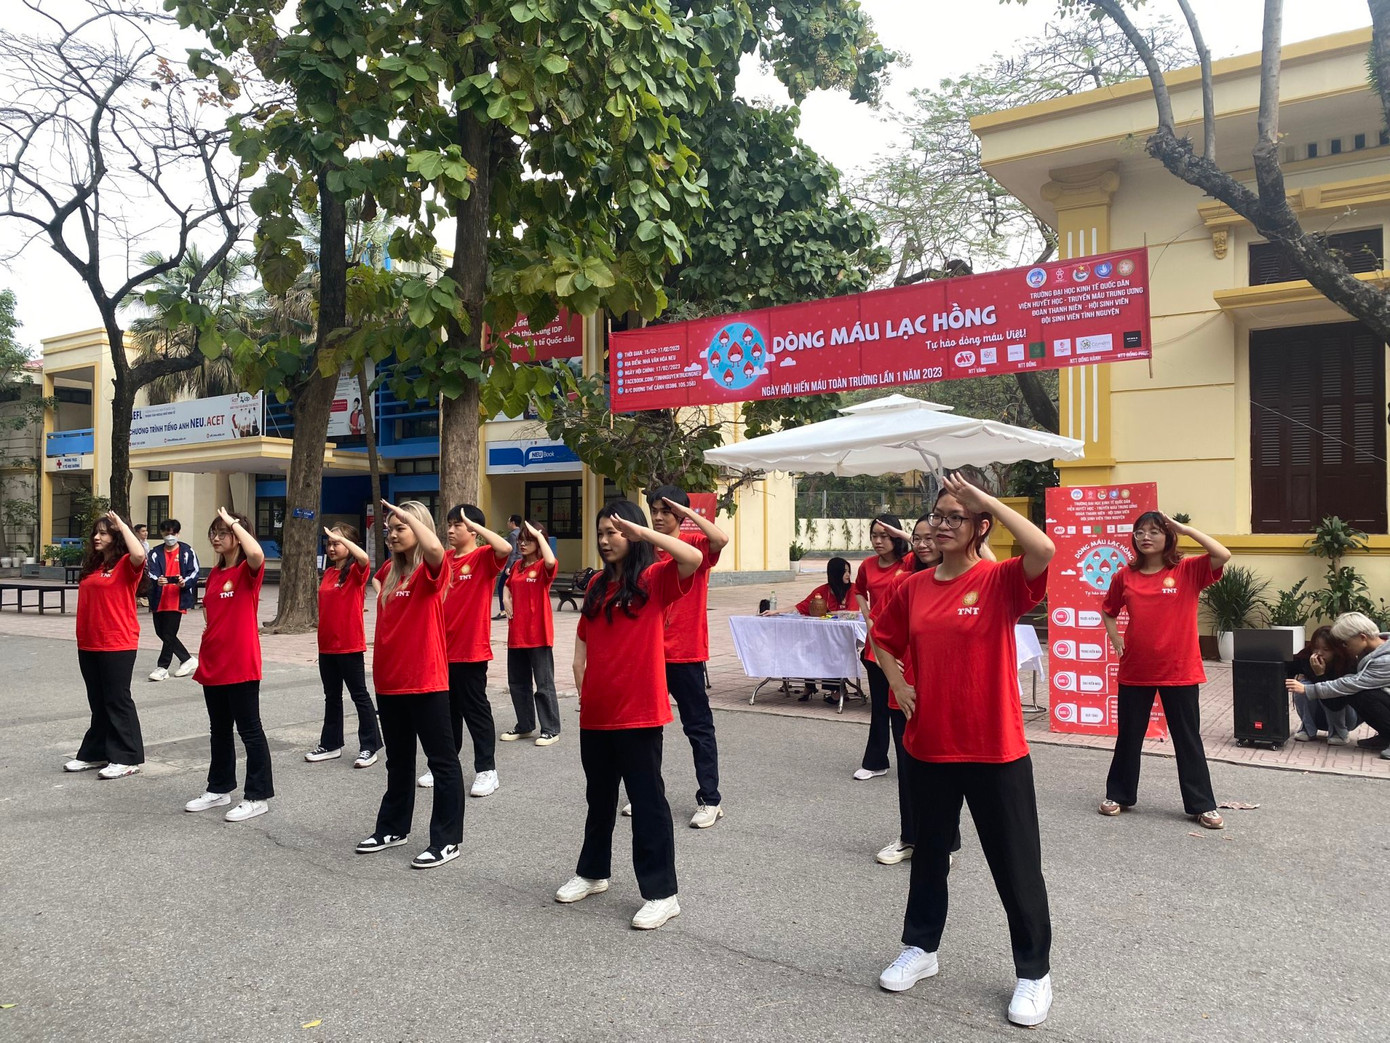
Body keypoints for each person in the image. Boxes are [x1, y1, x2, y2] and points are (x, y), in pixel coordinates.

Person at [871, 474, 1055, 1028]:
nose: (944, 524)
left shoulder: (999, 579)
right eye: (940, 515)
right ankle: (921, 949)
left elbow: (1043, 549)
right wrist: (898, 685)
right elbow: (881, 637)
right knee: (929, 856)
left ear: (981, 525)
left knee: (1015, 864)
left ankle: (1033, 973)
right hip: (929, 745)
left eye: (958, 515)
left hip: (994, 747)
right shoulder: (913, 586)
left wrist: (985, 498)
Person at [554, 499, 702, 930]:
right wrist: (583, 685)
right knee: (598, 800)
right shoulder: (598, 583)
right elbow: (583, 639)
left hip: (639, 713)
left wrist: (645, 535)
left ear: (632, 535)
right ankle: (593, 872)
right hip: (596, 713)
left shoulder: (655, 578)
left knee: (648, 803)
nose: (604, 540)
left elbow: (691, 556)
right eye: (600, 533)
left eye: (613, 532)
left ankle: (662, 893)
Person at [1098, 511, 1230, 829]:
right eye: (1140, 532)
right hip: (1136, 669)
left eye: (1155, 531)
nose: (1146, 537)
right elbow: (1108, 609)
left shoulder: (1187, 570)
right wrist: (1115, 637)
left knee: (1187, 739)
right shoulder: (1124, 576)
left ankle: (1202, 804)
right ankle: (1119, 795)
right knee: (1129, 736)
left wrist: (1187, 528)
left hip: (1180, 669)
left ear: (1168, 537)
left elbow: (1222, 554)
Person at [356, 499, 464, 868]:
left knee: (442, 762)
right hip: (389, 682)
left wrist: (410, 520)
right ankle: (392, 828)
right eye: (390, 528)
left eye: (400, 527)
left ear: (419, 528)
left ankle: (447, 840)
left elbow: (434, 547)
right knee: (398, 762)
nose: (392, 534)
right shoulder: (388, 571)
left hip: (426, 681)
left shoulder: (432, 570)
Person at [647, 485, 729, 829]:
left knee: (697, 727)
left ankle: (710, 800)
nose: (658, 517)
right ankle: (648, 795)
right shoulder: (645, 551)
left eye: (666, 511)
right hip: (649, 653)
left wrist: (689, 512)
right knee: (647, 729)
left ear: (681, 514)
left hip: (686, 653)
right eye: (654, 510)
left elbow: (720, 539)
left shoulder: (695, 546)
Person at [185, 508, 272, 823]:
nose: (216, 537)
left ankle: (257, 796)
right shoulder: (216, 574)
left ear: (238, 535)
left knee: (250, 730)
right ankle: (219, 788)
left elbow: (257, 553)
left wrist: (235, 522)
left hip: (240, 662)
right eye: (214, 532)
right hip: (214, 662)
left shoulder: (248, 572)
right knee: (219, 730)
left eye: (223, 532)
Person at [423, 504, 509, 797]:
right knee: (446, 713)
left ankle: (487, 770)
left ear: (473, 529)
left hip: (471, 650)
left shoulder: (483, 557)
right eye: (448, 524)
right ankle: (446, 765)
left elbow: (505, 546)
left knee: (475, 711)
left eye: (457, 525)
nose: (450, 530)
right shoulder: (444, 559)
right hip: (440, 649)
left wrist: (476, 526)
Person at [64, 511, 148, 780]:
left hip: (117, 642)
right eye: (95, 533)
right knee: (98, 701)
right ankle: (96, 752)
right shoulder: (94, 565)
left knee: (117, 699)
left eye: (104, 533)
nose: (97, 537)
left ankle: (127, 757)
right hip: (89, 642)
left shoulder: (126, 564)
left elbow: (140, 555)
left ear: (116, 537)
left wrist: (123, 525)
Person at [306, 524, 383, 768]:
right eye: (328, 543)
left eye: (336, 543)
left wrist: (344, 540)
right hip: (326, 646)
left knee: (359, 695)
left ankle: (370, 747)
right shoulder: (329, 573)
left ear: (348, 546)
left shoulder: (355, 572)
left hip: (349, 645)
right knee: (332, 697)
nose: (331, 547)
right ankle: (331, 745)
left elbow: (363, 557)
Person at [853, 514, 912, 781]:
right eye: (874, 535)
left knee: (907, 704)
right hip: (876, 644)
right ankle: (876, 760)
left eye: (884, 535)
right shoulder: (867, 565)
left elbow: (929, 549)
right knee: (880, 706)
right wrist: (867, 616)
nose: (878, 541)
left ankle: (913, 760)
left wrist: (904, 536)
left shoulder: (909, 562)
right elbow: (858, 590)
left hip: (906, 644)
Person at [1287, 613, 1390, 760]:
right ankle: (1386, 736)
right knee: (1359, 692)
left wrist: (1309, 689)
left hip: (1353, 711)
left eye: (1346, 643)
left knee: (1364, 694)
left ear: (1362, 637)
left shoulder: (1385, 660)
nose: (1344, 647)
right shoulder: (1369, 650)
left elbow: (1352, 683)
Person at [501, 519, 562, 746]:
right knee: (518, 683)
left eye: (528, 540)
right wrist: (506, 595)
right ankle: (525, 725)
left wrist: (538, 534)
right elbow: (508, 583)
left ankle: (550, 729)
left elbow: (549, 560)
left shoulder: (542, 567)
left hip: (538, 634)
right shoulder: (518, 566)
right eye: (521, 540)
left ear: (539, 541)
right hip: (516, 633)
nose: (522, 544)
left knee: (544, 684)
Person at [147, 518, 199, 681]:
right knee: (160, 632)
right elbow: (149, 571)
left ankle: (163, 667)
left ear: (178, 533)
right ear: (162, 533)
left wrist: (185, 582)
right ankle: (187, 659)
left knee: (169, 633)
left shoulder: (186, 551)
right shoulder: (155, 552)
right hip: (159, 598)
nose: (170, 536)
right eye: (166, 533)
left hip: (177, 598)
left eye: (173, 533)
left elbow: (194, 571)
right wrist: (157, 580)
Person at [1290, 627, 1359, 744]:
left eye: (1326, 649)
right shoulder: (1306, 656)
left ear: (1336, 650)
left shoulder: (1347, 662)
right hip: (1320, 716)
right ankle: (1308, 729)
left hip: (1345, 716)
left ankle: (1339, 732)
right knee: (1303, 685)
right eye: (1316, 648)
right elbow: (1287, 667)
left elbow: (1336, 702)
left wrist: (1320, 675)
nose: (1319, 653)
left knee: (1331, 688)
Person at [494, 514, 522, 619]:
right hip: (521, 563)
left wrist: (508, 567)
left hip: (513, 563)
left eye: (508, 521)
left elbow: (512, 552)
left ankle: (503, 610)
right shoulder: (521, 533)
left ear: (512, 523)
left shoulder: (513, 535)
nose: (507, 523)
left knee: (502, 585)